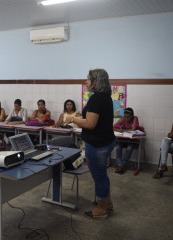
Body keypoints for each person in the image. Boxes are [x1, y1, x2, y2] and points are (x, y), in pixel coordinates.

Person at [64, 68, 115, 219]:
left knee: (99, 177)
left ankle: (101, 210)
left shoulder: (96, 98)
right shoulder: (105, 96)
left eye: (87, 79)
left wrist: (72, 119)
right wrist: (81, 118)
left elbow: (90, 124)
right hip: (107, 141)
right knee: (103, 175)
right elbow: (92, 120)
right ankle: (107, 202)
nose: (85, 81)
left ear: (95, 81)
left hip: (97, 144)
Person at [113, 107, 139, 174]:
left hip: (132, 141)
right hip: (123, 140)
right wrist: (119, 130)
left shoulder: (135, 119)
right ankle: (120, 165)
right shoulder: (122, 119)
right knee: (118, 147)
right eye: (125, 117)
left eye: (128, 117)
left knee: (129, 148)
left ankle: (122, 165)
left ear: (132, 116)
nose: (126, 119)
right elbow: (113, 127)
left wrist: (123, 130)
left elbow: (133, 129)